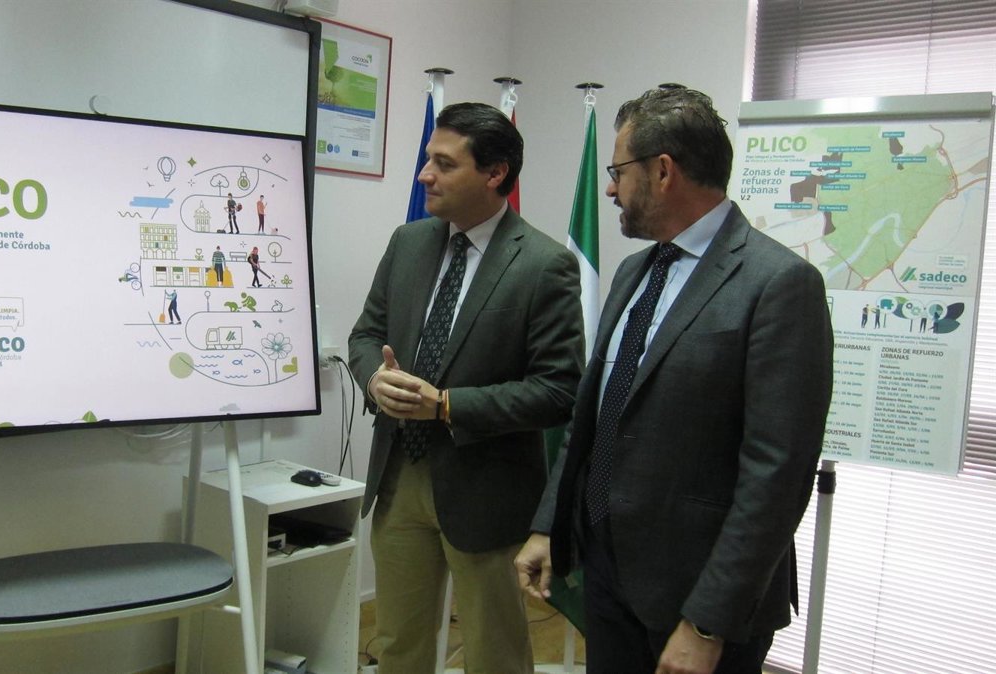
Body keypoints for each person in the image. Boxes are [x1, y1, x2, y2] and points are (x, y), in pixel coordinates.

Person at [514, 87, 833, 674]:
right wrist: (548, 527)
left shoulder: (779, 284)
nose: (610, 189)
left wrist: (708, 622)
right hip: (607, 575)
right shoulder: (633, 271)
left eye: (618, 172)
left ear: (663, 172)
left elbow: (778, 475)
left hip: (698, 598)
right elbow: (594, 417)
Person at [349, 102, 585, 673]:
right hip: (399, 476)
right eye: (428, 159)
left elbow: (558, 390)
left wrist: (448, 405)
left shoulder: (544, 264)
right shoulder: (407, 242)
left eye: (444, 164)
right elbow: (366, 335)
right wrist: (375, 379)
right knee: (398, 642)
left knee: (494, 652)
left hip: (488, 490)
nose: (424, 174)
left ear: (495, 173)